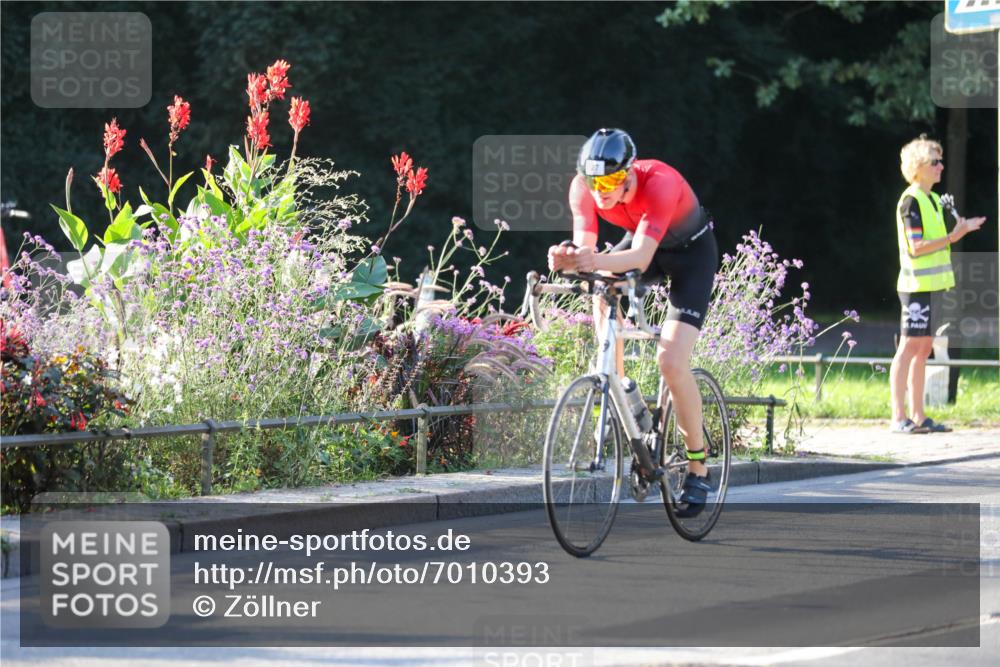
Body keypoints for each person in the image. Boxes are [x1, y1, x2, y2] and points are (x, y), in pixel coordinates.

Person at [547, 128, 718, 510]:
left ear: (628, 174)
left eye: (610, 180)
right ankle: (617, 385)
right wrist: (567, 258)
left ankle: (698, 467)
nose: (601, 190)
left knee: (671, 361)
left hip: (690, 255)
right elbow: (586, 250)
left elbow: (639, 258)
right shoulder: (582, 189)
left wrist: (587, 261)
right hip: (646, 246)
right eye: (594, 182)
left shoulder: (659, 182)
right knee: (600, 288)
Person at [889, 135, 985, 434]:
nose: (942, 166)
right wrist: (953, 237)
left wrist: (958, 231)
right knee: (907, 348)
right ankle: (898, 417)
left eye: (941, 161)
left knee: (923, 349)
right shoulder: (910, 201)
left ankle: (919, 416)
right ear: (918, 167)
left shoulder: (931, 199)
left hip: (934, 288)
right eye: (935, 162)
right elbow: (916, 247)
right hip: (916, 287)